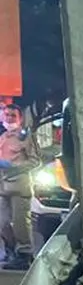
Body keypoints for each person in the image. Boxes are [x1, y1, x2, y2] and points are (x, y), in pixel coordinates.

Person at [0, 104, 36, 270]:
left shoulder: (25, 137)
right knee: (2, 223)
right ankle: (10, 251)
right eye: (6, 115)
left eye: (13, 115)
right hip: (2, 187)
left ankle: (24, 255)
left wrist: (13, 167)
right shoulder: (2, 137)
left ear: (20, 119)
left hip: (19, 187)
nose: (9, 118)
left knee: (20, 223)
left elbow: (35, 161)